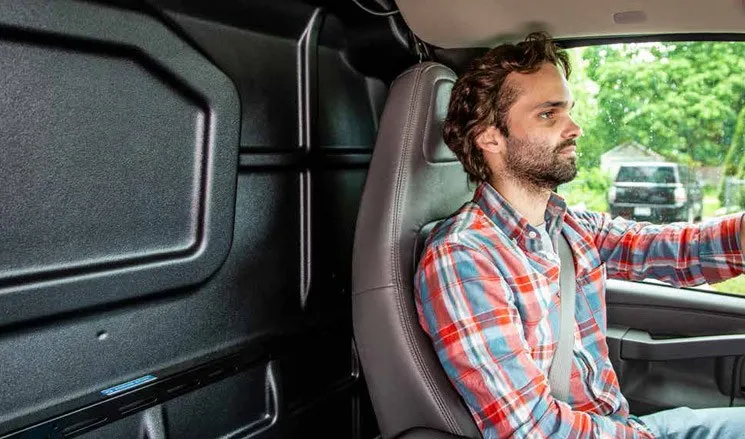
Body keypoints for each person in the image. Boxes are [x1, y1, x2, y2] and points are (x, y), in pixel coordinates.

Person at [413, 31, 745, 438]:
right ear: (490, 137)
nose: (575, 128)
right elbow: (535, 430)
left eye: (568, 110)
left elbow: (678, 251)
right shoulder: (463, 258)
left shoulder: (567, 226)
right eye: (548, 114)